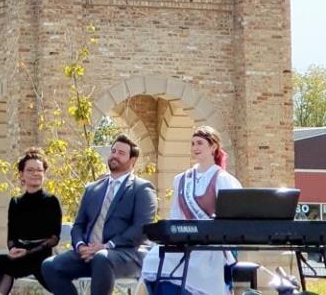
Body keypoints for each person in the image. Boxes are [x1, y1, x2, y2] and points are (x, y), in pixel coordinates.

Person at [42, 133, 157, 295]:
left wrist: (106, 246)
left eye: (121, 153)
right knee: (49, 266)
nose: (115, 155)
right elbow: (78, 225)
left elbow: (141, 228)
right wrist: (81, 246)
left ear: (133, 161)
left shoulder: (142, 189)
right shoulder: (92, 189)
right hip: (89, 254)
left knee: (102, 258)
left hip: (126, 254)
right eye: (113, 151)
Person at [142, 125, 241, 295]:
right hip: (186, 241)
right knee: (154, 258)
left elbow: (233, 216)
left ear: (213, 147)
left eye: (200, 143)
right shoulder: (182, 179)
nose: (195, 148)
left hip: (211, 245)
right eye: (193, 143)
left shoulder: (223, 179)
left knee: (199, 263)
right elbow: (176, 215)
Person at [0, 148, 62, 295]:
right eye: (30, 170)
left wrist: (28, 252)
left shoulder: (51, 201)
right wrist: (13, 249)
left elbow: (54, 238)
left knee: (46, 270)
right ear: (22, 174)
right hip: (20, 255)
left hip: (41, 255)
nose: (35, 173)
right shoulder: (15, 202)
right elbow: (12, 236)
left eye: (39, 170)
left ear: (44, 174)